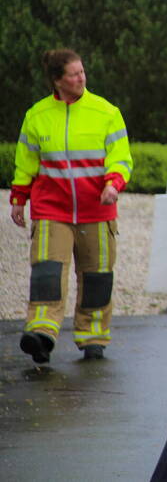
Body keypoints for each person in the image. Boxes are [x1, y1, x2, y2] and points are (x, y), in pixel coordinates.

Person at [10, 49, 133, 363]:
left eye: (82, 71)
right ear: (57, 80)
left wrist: (113, 184)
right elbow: (26, 162)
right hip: (52, 210)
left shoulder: (106, 112)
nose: (81, 78)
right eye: (74, 74)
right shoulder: (37, 115)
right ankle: (41, 333)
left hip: (97, 211)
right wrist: (19, 198)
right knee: (47, 272)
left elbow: (121, 158)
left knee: (97, 277)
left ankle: (93, 337)